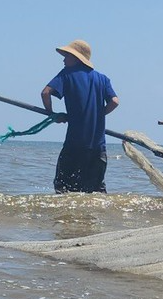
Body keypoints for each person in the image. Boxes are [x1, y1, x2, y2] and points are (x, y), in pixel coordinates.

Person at [40, 39, 119, 193]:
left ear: (76, 58)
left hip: (74, 146)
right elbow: (114, 102)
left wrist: (52, 114)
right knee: (95, 193)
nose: (63, 59)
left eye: (67, 56)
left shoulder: (67, 74)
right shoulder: (102, 79)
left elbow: (45, 93)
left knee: (63, 189)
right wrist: (96, 115)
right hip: (98, 149)